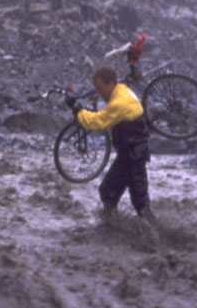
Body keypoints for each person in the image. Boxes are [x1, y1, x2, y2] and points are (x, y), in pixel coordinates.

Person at [67, 65, 158, 229]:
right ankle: (113, 228)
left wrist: (78, 110)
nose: (99, 92)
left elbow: (97, 122)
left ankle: (156, 239)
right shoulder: (121, 89)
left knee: (140, 203)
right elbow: (106, 113)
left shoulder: (119, 103)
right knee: (107, 191)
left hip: (134, 157)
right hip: (127, 155)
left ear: (110, 84)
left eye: (100, 88)